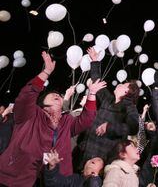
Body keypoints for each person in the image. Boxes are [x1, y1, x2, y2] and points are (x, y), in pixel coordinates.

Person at [0, 51, 105, 186]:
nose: (57, 96)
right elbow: (26, 95)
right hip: (12, 177)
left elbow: (87, 119)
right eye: (53, 95)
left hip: (49, 180)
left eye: (59, 96)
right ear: (43, 102)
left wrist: (92, 93)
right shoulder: (30, 113)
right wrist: (46, 72)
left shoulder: (67, 122)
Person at [77, 47, 140, 168]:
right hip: (86, 149)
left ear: (128, 91)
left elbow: (133, 127)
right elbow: (96, 82)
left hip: (102, 155)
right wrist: (94, 61)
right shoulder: (108, 98)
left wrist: (109, 127)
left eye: (123, 84)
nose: (119, 84)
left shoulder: (129, 107)